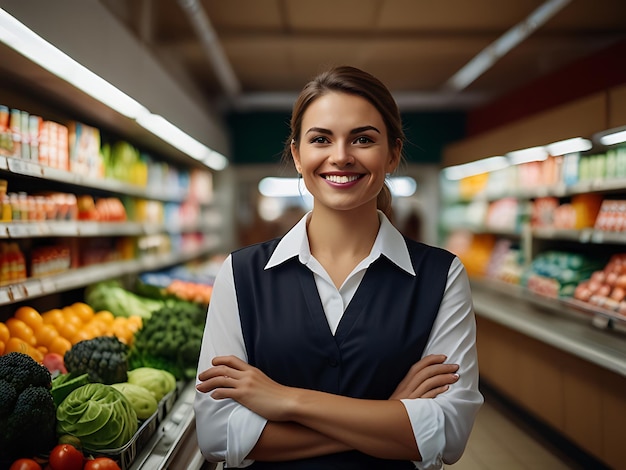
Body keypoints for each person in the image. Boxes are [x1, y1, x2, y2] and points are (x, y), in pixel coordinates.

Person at [194, 65, 483, 469]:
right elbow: (216, 433)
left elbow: (449, 434)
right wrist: (392, 414)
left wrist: (287, 400)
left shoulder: (442, 276)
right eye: (321, 139)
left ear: (393, 154)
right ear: (297, 155)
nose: (341, 156)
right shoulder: (241, 274)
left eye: (363, 139)